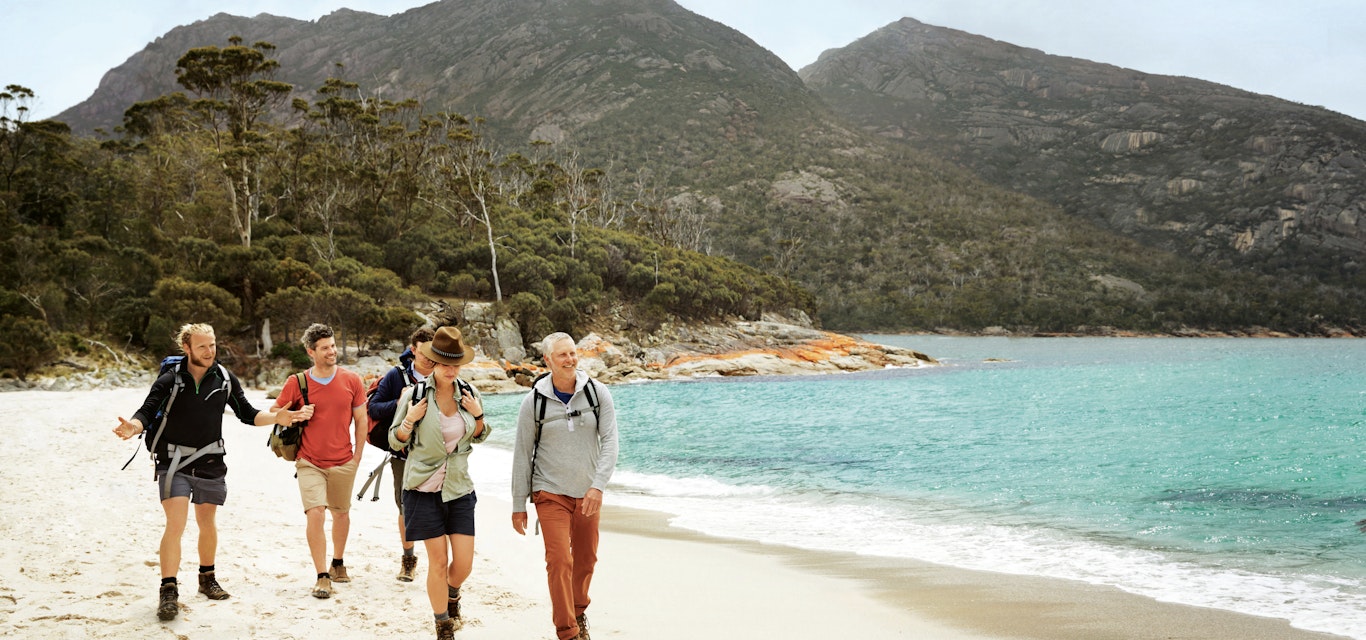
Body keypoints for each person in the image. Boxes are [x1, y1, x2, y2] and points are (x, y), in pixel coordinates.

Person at [114, 323, 312, 621]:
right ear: (188, 348)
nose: (210, 351)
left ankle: (207, 579)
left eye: (213, 345)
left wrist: (277, 416)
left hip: (210, 460)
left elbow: (247, 414)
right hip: (173, 461)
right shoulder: (171, 379)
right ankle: (168, 590)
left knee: (207, 522)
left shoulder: (224, 378)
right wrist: (133, 426)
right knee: (176, 523)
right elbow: (147, 410)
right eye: (203, 346)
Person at [511, 332, 619, 640]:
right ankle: (567, 631)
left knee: (586, 560)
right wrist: (519, 503)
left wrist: (598, 486)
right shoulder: (533, 402)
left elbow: (611, 442)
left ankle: (578, 610)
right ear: (547, 360)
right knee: (559, 560)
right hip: (549, 492)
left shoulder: (598, 394)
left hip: (588, 492)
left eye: (573, 353)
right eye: (563, 355)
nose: (570, 359)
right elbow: (522, 453)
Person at [388, 326, 490, 640]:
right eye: (444, 363)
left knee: (463, 564)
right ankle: (443, 623)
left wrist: (480, 414)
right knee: (438, 561)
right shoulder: (413, 395)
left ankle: (453, 593)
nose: (450, 369)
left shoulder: (469, 394)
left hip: (459, 488)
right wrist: (408, 421)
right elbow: (395, 440)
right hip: (422, 490)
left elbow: (481, 434)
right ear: (433, 362)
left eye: (455, 363)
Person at [271, 322, 368, 599]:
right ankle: (322, 575)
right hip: (309, 460)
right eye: (325, 348)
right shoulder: (297, 382)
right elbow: (275, 410)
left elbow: (361, 419)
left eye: (333, 346)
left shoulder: (351, 380)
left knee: (341, 513)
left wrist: (358, 456)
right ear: (310, 351)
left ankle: (338, 562)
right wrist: (297, 414)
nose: (332, 351)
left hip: (343, 460)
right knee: (315, 512)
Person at [367, 326, 437, 582]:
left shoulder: (445, 375)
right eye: (425, 351)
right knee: (406, 508)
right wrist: (399, 404)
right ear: (413, 350)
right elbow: (373, 409)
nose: (430, 357)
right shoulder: (396, 376)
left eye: (434, 351)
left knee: (440, 507)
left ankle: (440, 563)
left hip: (439, 455)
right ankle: (408, 560)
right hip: (403, 453)